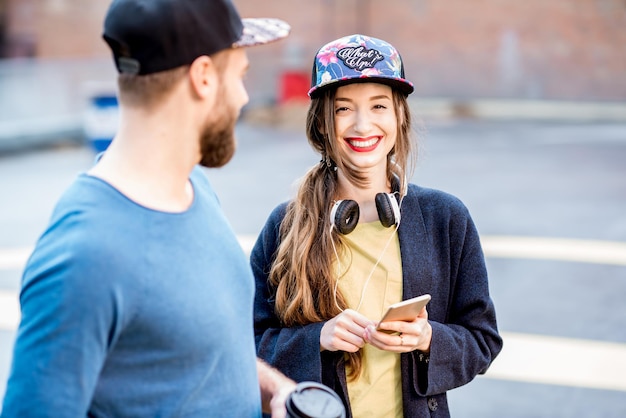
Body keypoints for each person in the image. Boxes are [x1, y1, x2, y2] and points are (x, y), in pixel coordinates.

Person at [1, 0, 296, 417]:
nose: (244, 98)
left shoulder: (195, 187)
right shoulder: (84, 256)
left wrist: (276, 390)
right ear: (204, 77)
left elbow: (201, 353)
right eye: (241, 76)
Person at [251, 34, 503, 417]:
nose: (362, 124)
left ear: (399, 116)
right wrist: (315, 338)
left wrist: (429, 337)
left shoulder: (446, 219)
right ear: (322, 122)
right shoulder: (285, 225)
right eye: (344, 109)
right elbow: (244, 343)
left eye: (379, 105)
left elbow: (482, 341)